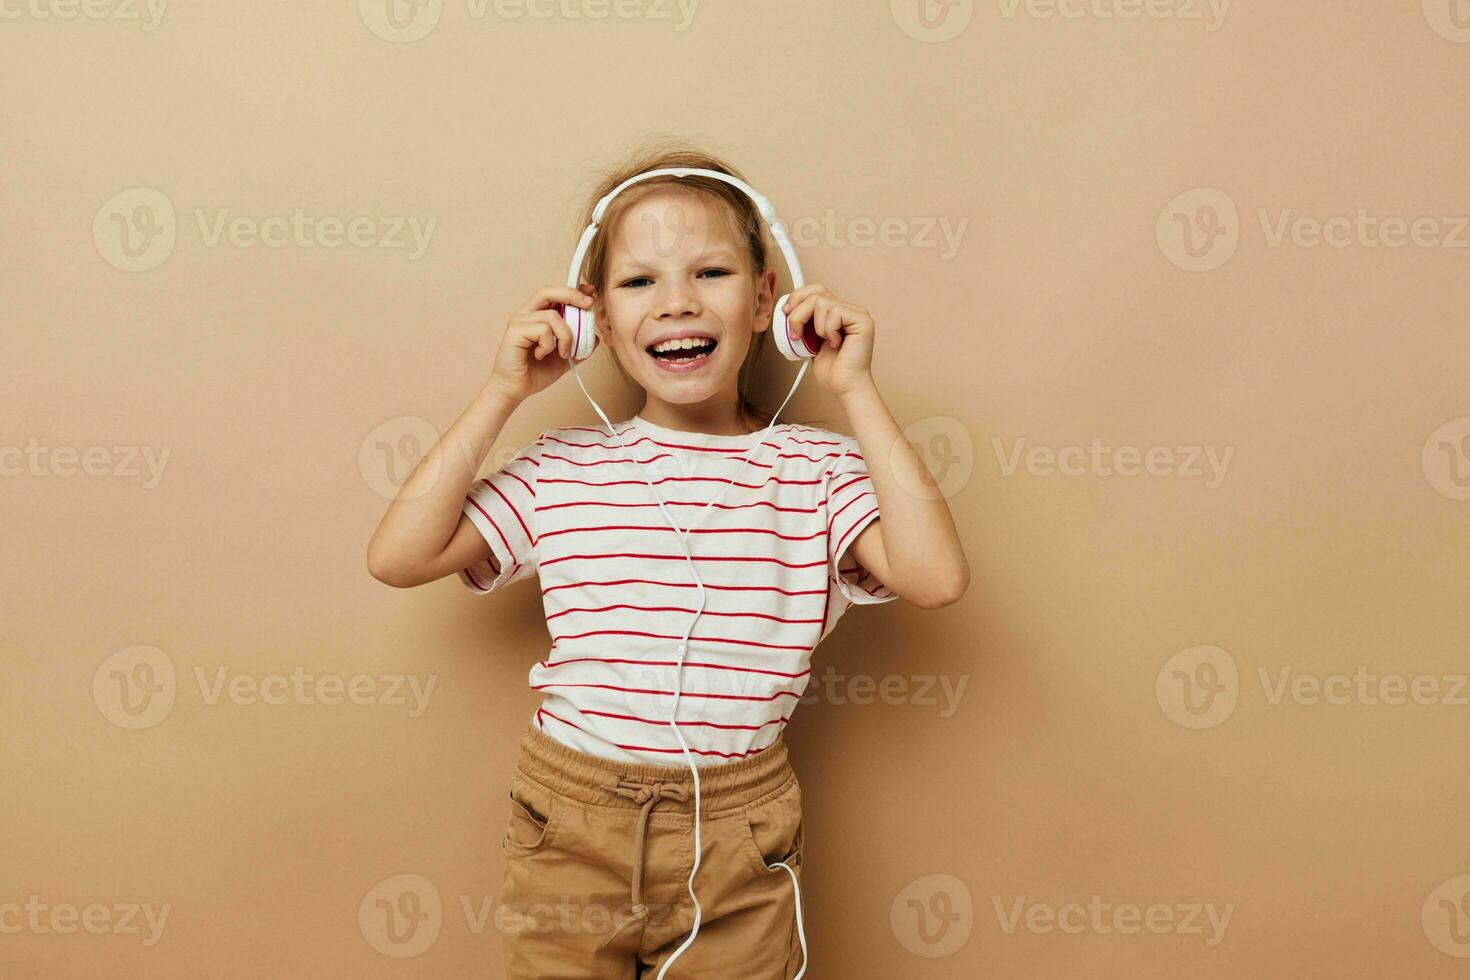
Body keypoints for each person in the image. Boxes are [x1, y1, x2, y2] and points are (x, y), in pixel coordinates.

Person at [366, 139, 970, 978]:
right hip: (570, 815)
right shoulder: (562, 467)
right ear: (594, 321)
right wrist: (503, 389)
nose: (677, 303)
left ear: (767, 302)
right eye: (640, 281)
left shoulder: (816, 469)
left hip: (738, 828)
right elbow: (400, 556)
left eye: (710, 275)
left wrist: (855, 389)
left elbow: (937, 578)